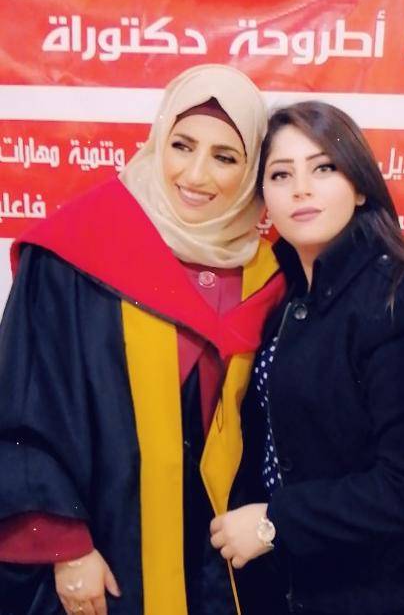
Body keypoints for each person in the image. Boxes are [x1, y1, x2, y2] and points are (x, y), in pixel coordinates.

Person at [0, 64, 287, 615]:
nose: (196, 174)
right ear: (158, 142)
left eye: (225, 157)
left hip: (224, 565)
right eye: (182, 145)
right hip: (107, 556)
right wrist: (64, 546)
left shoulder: (271, 275)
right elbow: (27, 403)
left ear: (252, 170)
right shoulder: (74, 255)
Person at [210, 101, 404, 615]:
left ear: (360, 186)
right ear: (263, 198)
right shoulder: (282, 295)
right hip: (296, 588)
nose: (301, 189)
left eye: (323, 168)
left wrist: (275, 521)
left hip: (395, 594)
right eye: (281, 174)